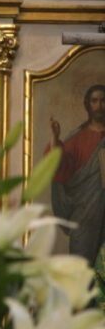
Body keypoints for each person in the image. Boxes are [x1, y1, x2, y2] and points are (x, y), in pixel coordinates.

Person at [46, 84, 105, 264]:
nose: (99, 105)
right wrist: (55, 138)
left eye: (103, 101)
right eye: (95, 101)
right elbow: (57, 165)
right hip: (85, 216)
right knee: (81, 266)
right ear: (87, 104)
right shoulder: (78, 138)